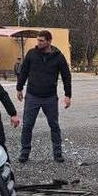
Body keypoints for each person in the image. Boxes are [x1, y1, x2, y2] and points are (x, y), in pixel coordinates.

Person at [15, 30, 72, 163]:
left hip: (50, 97)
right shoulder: (31, 54)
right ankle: (24, 152)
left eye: (41, 41)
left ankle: (57, 153)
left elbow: (66, 76)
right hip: (32, 96)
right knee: (27, 125)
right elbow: (24, 72)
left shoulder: (58, 56)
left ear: (49, 41)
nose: (38, 43)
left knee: (54, 125)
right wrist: (19, 88)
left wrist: (68, 95)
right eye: (38, 40)